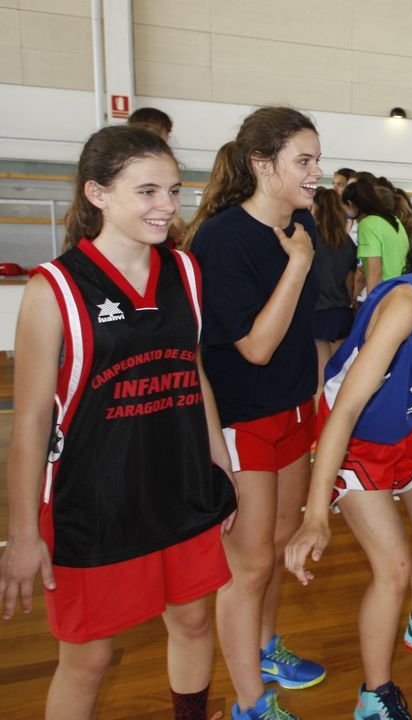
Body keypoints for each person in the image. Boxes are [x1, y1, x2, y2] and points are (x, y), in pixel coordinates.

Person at [0, 125, 236, 720]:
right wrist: (24, 533)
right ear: (97, 194)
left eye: (173, 191)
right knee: (87, 659)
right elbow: (30, 420)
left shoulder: (185, 272)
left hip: (180, 485)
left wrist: (220, 463)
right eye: (147, 191)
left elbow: (194, 373)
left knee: (192, 619)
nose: (166, 206)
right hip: (94, 499)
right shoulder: (53, 288)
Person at [284, 187, 412, 719]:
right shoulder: (405, 303)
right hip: (355, 442)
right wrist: (314, 515)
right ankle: (374, 693)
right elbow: (346, 410)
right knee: (394, 567)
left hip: (411, 433)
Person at [188, 106, 325, 720]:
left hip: (296, 410)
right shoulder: (223, 238)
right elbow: (257, 345)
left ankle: (266, 649)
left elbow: (307, 334)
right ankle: (249, 705)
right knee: (249, 566)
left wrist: (318, 403)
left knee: (275, 544)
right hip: (244, 420)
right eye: (304, 161)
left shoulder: (303, 225)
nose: (316, 172)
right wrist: (296, 264)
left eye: (316, 159)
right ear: (262, 165)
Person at [310, 187, 358, 400]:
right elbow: (350, 281)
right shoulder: (346, 242)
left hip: (317, 312)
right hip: (341, 313)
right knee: (338, 379)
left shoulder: (310, 239)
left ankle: (322, 431)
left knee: (320, 381)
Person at [346, 178, 410, 299]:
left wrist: (371, 305)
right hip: (402, 290)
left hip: (383, 294)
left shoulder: (367, 224)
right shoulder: (395, 221)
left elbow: (375, 271)